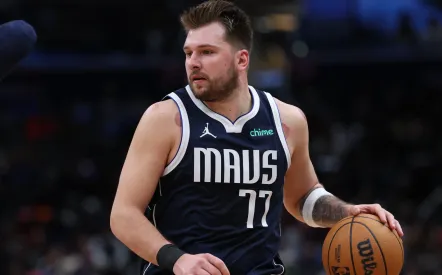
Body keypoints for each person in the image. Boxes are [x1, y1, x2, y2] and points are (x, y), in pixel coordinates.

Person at [110, 1, 404, 275]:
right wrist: (178, 260)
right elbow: (123, 214)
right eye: (189, 53)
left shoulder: (287, 120)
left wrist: (346, 212)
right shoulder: (165, 119)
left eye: (207, 52)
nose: (193, 63)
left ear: (241, 59)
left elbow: (302, 197)